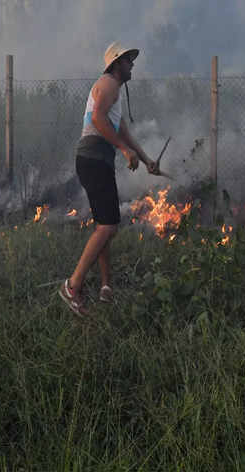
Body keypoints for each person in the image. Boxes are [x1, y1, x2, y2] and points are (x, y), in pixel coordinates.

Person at [59, 43, 162, 317]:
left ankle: (105, 286)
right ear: (117, 64)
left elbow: (123, 132)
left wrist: (146, 158)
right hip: (94, 158)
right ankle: (72, 286)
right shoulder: (108, 83)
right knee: (110, 226)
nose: (132, 65)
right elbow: (97, 118)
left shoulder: (113, 93)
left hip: (93, 160)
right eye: (128, 60)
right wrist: (124, 150)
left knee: (103, 225)